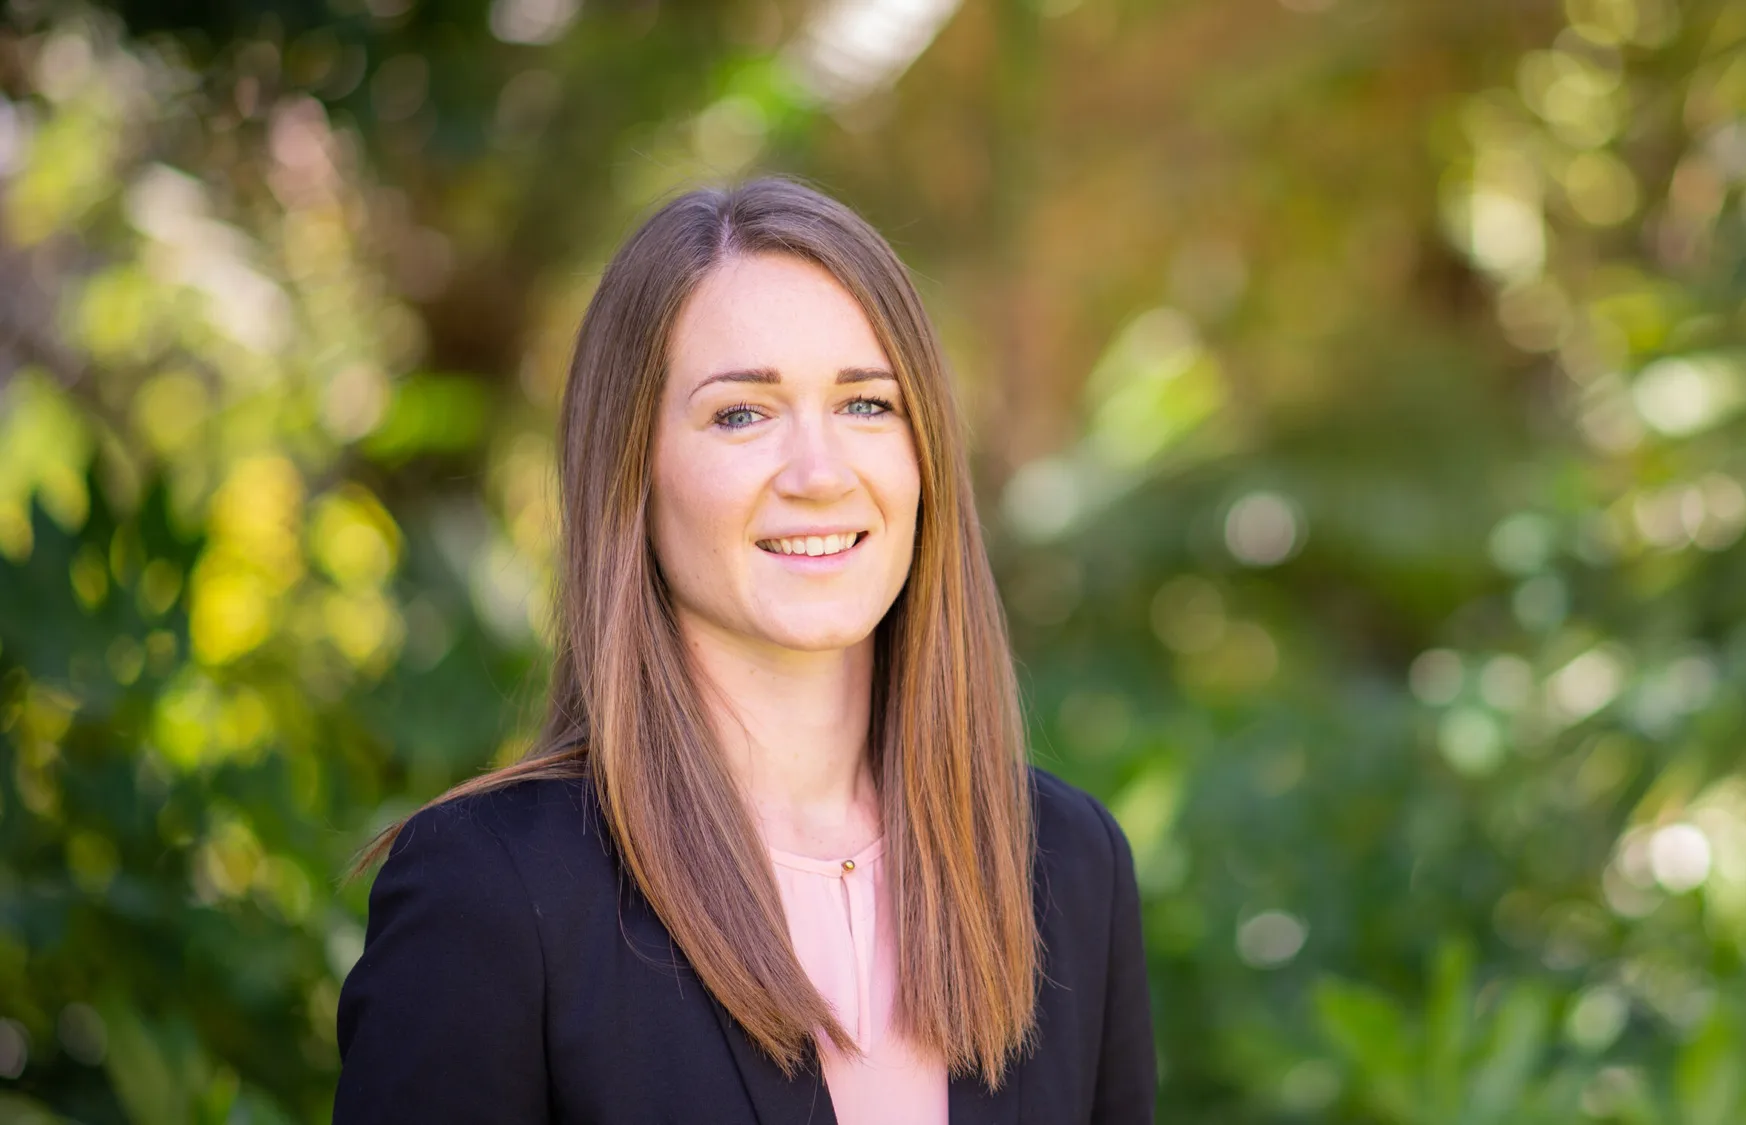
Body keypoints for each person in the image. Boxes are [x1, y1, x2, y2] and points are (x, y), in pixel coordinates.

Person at [332, 177, 1156, 1124]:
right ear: (631, 471)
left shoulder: (1068, 863)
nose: (819, 474)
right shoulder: (492, 891)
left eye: (868, 405)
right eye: (741, 414)